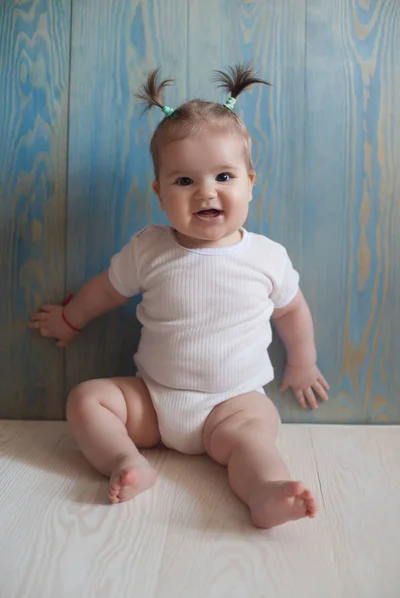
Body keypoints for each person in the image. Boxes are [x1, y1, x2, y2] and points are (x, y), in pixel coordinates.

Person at [29, 65, 329, 529]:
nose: (206, 191)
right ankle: (126, 462)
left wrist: (302, 362)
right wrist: (71, 319)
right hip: (153, 399)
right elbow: (106, 290)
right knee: (87, 399)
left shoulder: (266, 257)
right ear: (160, 192)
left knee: (255, 441)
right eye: (184, 181)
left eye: (224, 176)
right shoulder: (149, 248)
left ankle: (266, 492)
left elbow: (291, 309)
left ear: (251, 181)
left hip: (232, 405)